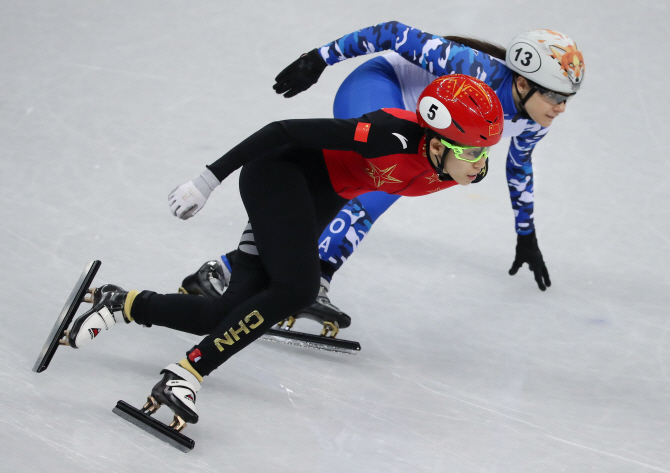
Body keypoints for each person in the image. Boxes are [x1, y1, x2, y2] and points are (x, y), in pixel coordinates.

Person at [64, 75, 504, 429]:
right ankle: (186, 373)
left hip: (318, 196)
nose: (478, 164)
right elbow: (282, 130)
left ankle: (122, 303)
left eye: (485, 152)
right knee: (296, 288)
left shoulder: (459, 168)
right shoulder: (390, 136)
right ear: (436, 140)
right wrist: (206, 180)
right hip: (279, 173)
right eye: (469, 151)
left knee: (229, 313)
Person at [189, 23, 586, 325]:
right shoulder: (474, 68)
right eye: (554, 96)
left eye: (566, 98)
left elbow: (519, 168)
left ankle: (233, 270)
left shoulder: (536, 119)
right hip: (382, 85)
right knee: (380, 182)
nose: (560, 108)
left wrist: (526, 235)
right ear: (521, 82)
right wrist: (319, 59)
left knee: (366, 189)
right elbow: (393, 33)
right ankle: (293, 274)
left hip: (422, 128)